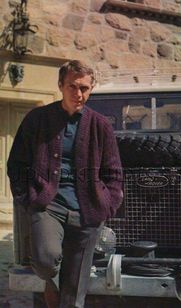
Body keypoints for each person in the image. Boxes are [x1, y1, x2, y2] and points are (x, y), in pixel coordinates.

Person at [7, 60, 123, 308]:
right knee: (45, 259)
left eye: (85, 88)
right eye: (72, 86)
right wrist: (26, 198)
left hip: (88, 210)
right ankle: (51, 283)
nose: (78, 94)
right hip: (49, 205)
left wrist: (107, 205)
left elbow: (113, 172)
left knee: (75, 293)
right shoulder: (37, 119)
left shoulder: (100, 125)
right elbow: (16, 164)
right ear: (60, 85)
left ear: (91, 89)